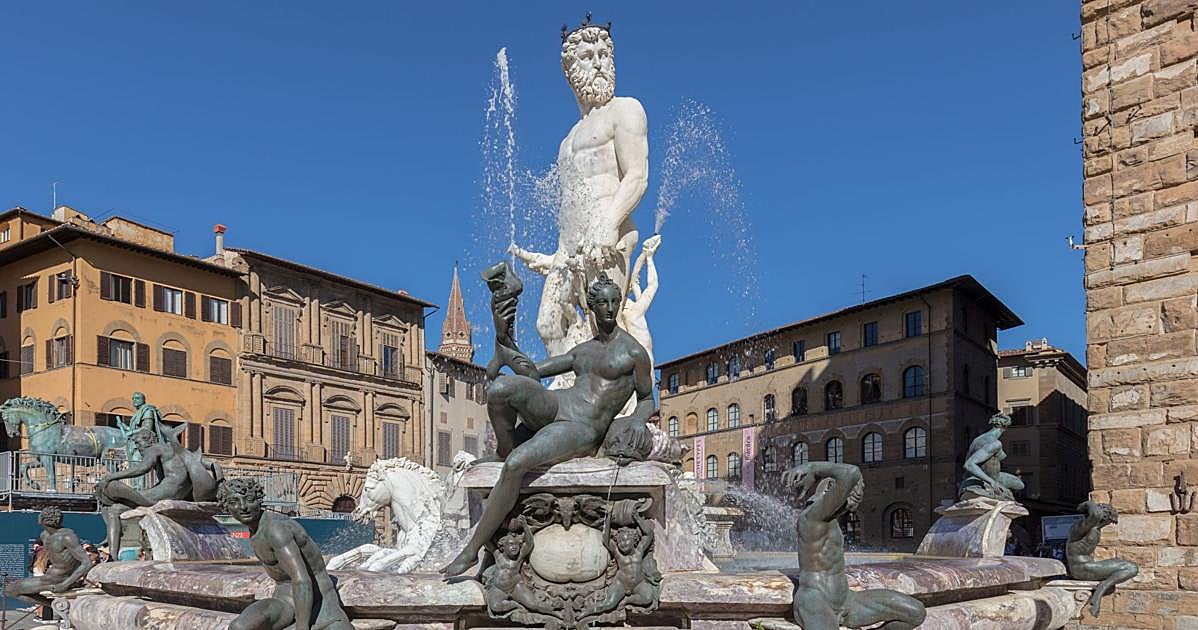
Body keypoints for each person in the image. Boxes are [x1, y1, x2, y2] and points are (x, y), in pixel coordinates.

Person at [441, 273, 654, 577]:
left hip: (581, 427)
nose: (609, 307)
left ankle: (471, 550)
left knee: (517, 464)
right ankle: (504, 447)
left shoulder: (634, 353)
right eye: (602, 302)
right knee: (501, 390)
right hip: (558, 403)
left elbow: (648, 399)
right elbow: (534, 373)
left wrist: (636, 419)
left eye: (613, 301)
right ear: (592, 307)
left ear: (619, 305)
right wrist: (505, 342)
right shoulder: (584, 350)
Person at [509, 18, 649, 359]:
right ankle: (568, 400)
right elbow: (569, 210)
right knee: (548, 324)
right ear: (571, 70)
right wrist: (553, 256)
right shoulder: (566, 142)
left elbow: (637, 176)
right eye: (588, 56)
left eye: (604, 54)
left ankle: (617, 404)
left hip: (609, 239)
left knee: (606, 327)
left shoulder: (625, 110)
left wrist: (609, 223)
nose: (599, 63)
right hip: (570, 249)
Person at [782, 462, 926, 630]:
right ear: (834, 492)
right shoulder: (813, 516)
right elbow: (851, 472)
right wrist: (813, 468)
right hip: (815, 600)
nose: (858, 498)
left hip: (847, 600)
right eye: (855, 493)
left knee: (916, 612)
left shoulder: (831, 519)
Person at [219, 478, 353, 630]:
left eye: (249, 500)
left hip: (318, 601)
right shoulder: (255, 529)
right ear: (226, 507)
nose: (243, 507)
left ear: (259, 500)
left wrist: (301, 627)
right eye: (234, 502)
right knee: (239, 627)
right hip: (285, 601)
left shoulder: (275, 529)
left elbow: (302, 581)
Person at [95, 427, 222, 553]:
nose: (138, 447)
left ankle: (112, 554)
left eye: (138, 443)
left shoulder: (154, 448)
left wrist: (110, 476)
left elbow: (143, 468)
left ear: (149, 441)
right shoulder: (176, 450)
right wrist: (220, 481)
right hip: (177, 494)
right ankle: (112, 555)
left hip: (162, 494)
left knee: (111, 486)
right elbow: (213, 465)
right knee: (115, 510)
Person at [4, 508, 92, 605]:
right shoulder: (44, 535)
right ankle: (54, 605)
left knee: (10, 590)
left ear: (41, 520)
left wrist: (66, 584)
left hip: (59, 579)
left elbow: (87, 562)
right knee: (10, 589)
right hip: (49, 577)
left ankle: (54, 605)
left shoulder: (67, 537)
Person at [1067, 501, 1138, 616]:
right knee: (1132, 568)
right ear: (1103, 517)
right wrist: (1086, 504)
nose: (1107, 524)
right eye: (1107, 522)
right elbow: (1095, 514)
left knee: (1119, 562)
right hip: (1081, 568)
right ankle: (1102, 588)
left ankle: (1103, 585)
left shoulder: (1095, 529)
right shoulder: (1080, 528)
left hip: (1087, 565)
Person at [959, 413, 1025, 501]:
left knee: (1019, 484)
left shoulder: (978, 439)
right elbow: (969, 464)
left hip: (975, 476)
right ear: (1005, 428)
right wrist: (992, 482)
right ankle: (991, 490)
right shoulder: (995, 443)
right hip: (986, 478)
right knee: (1019, 485)